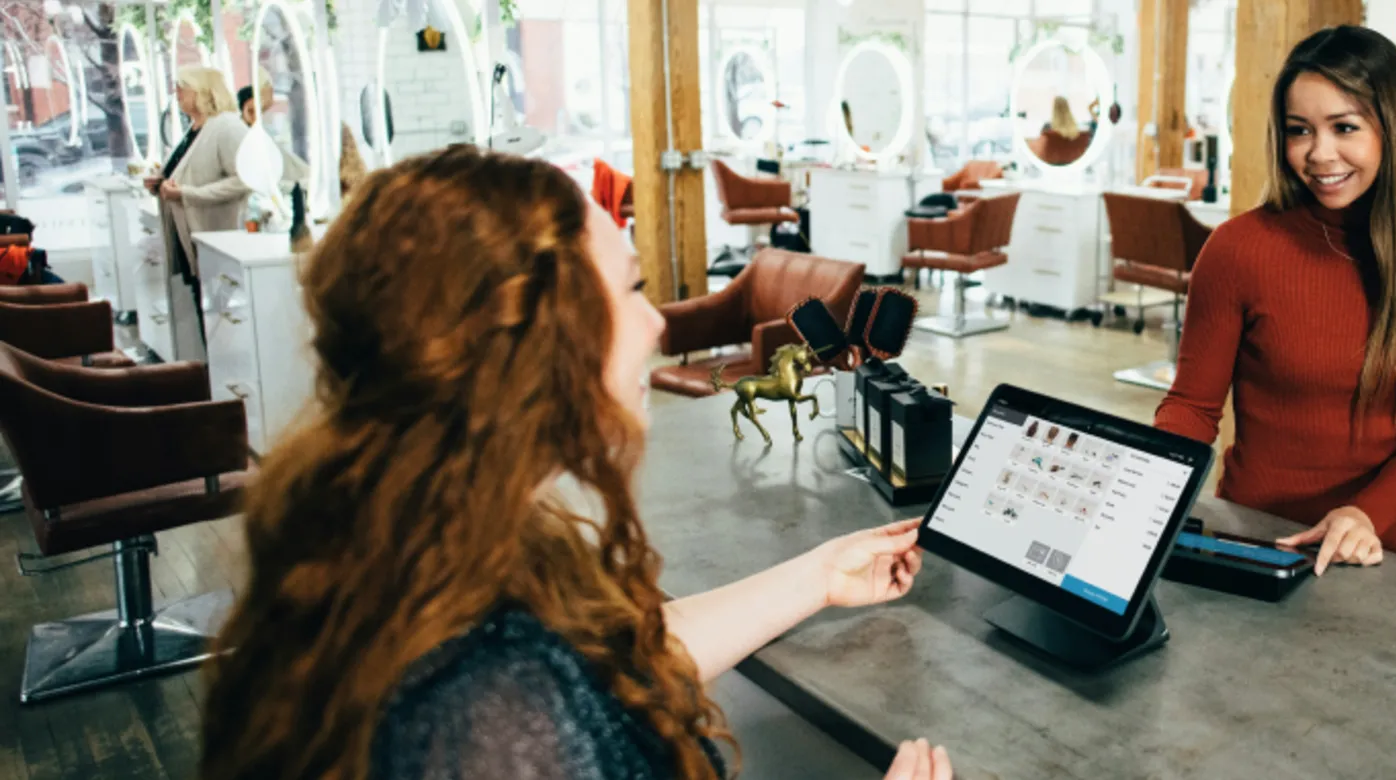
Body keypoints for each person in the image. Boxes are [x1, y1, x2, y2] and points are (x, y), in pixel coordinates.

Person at [198, 147, 953, 780]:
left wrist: (817, 577)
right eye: (630, 288)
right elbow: (554, 691)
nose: (657, 322)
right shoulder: (485, 708)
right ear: (535, 345)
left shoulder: (410, 540)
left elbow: (615, 659)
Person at [1156, 26, 1396, 572]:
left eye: (1344, 127)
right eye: (1299, 130)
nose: (1318, 154)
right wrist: (1144, 486)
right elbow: (1193, 408)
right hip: (1253, 540)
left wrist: (1363, 514)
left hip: (1379, 551)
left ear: (1394, 129)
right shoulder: (1239, 248)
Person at [152, 66, 249, 334]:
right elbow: (186, 172)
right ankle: (211, 370)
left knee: (219, 315)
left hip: (215, 234)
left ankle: (222, 370)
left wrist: (186, 193)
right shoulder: (196, 128)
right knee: (203, 307)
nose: (177, 93)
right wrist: (160, 183)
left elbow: (243, 180)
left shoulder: (227, 127)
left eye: (183, 86)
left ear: (203, 90)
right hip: (190, 234)